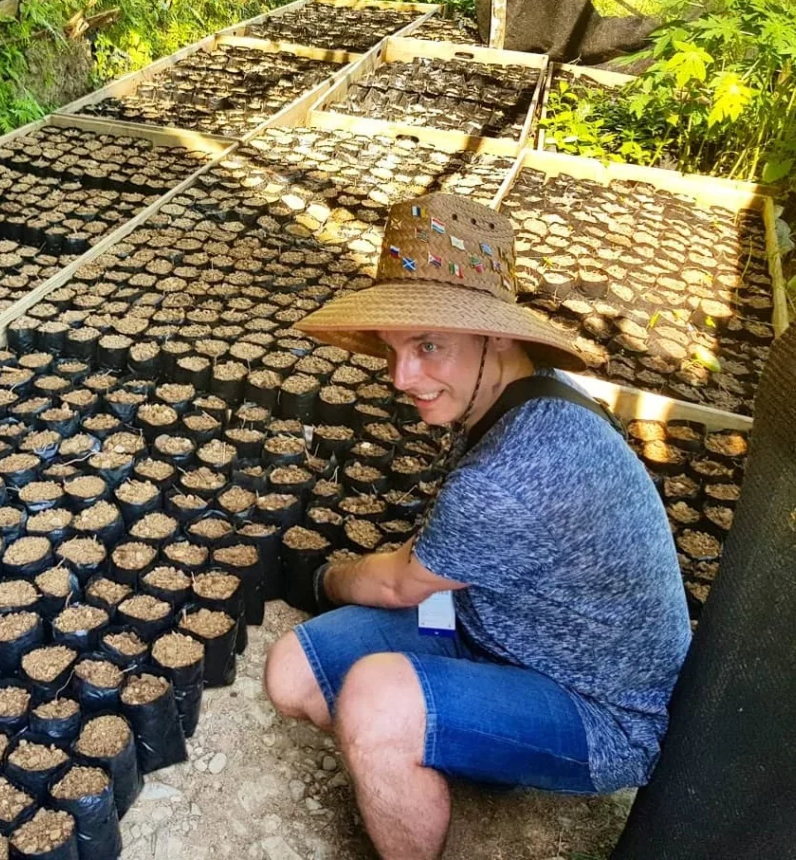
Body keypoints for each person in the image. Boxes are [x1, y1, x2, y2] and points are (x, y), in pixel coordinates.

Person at [263, 192, 692, 860]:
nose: (402, 377)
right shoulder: (524, 390)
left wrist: (322, 579)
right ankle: (449, 746)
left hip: (599, 708)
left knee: (375, 700)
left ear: (496, 337)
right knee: (293, 675)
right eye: (394, 348)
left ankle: (431, 752)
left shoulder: (511, 472)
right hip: (496, 628)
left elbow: (400, 583)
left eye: (429, 346)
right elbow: (442, 568)